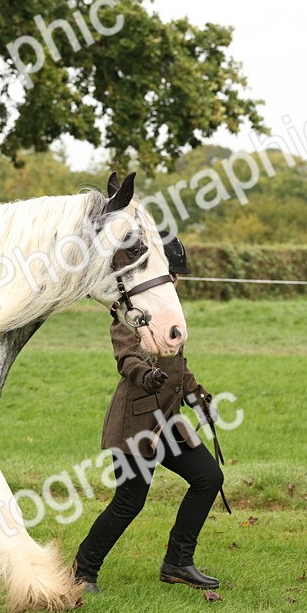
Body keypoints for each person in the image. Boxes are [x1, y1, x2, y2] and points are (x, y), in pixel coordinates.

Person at [74, 237, 227, 594]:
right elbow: (126, 359)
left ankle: (178, 562)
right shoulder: (129, 314)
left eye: (175, 276)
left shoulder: (168, 316)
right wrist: (146, 374)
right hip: (135, 424)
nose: (175, 282)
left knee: (208, 478)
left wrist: (198, 396)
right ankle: (83, 570)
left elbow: (178, 368)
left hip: (169, 424)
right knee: (129, 502)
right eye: (172, 275)